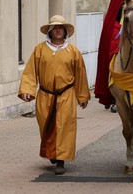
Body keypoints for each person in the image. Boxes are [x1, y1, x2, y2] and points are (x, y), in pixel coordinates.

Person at [18, 15, 90, 175]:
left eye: (61, 27)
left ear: (65, 31)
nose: (58, 30)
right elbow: (30, 71)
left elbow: (80, 74)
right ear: (50, 31)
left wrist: (82, 96)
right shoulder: (40, 49)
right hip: (45, 95)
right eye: (55, 27)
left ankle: (60, 160)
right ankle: (52, 152)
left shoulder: (73, 51)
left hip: (66, 94)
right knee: (46, 125)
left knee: (64, 126)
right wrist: (27, 90)